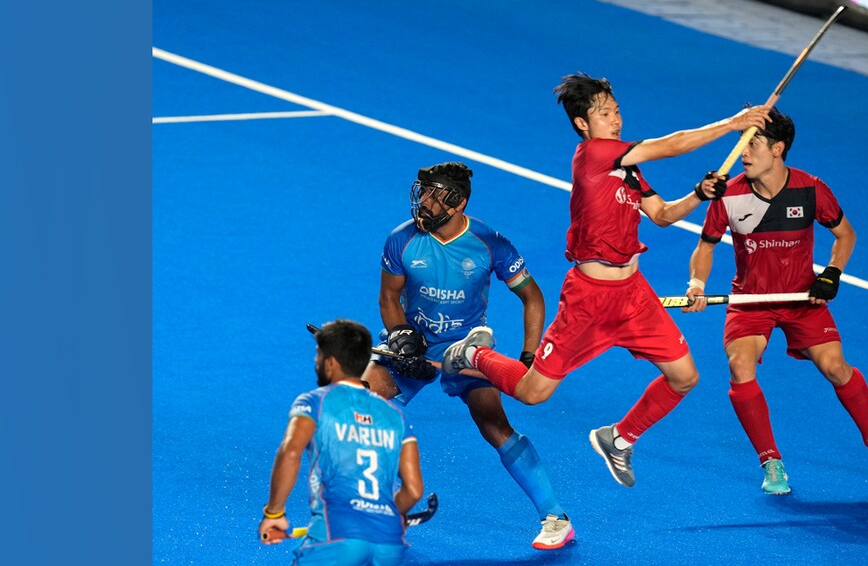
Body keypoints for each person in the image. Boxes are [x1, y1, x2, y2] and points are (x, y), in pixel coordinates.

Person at [440, 72, 772, 488]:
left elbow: (664, 216)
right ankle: (474, 356)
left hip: (633, 295)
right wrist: (733, 123)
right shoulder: (594, 154)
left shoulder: (628, 171)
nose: (614, 119)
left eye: (616, 111)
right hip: (588, 299)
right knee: (532, 393)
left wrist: (700, 194)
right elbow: (670, 145)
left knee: (685, 376)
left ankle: (618, 438)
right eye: (603, 113)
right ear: (583, 123)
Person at [681, 107, 868, 495]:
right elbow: (705, 246)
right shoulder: (729, 195)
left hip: (801, 297)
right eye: (741, 144)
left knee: (835, 367)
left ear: (778, 149)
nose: (743, 153)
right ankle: (771, 461)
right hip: (751, 299)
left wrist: (831, 273)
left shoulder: (811, 189)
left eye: (751, 144)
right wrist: (696, 283)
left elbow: (846, 236)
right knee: (740, 366)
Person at [362, 161, 574, 550]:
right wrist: (401, 335)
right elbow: (389, 298)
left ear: (457, 202)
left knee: (493, 424)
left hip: (465, 349)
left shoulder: (489, 243)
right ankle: (394, 507)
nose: (422, 202)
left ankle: (556, 517)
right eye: (422, 192)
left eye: (433, 195)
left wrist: (528, 357)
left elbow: (532, 297)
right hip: (413, 345)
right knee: (362, 403)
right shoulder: (401, 239)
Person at [259, 319, 423, 566]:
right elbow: (413, 490)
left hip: (336, 537)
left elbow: (290, 453)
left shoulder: (315, 402)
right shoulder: (394, 417)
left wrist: (274, 513)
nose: (316, 362)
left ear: (332, 362)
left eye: (318, 355)